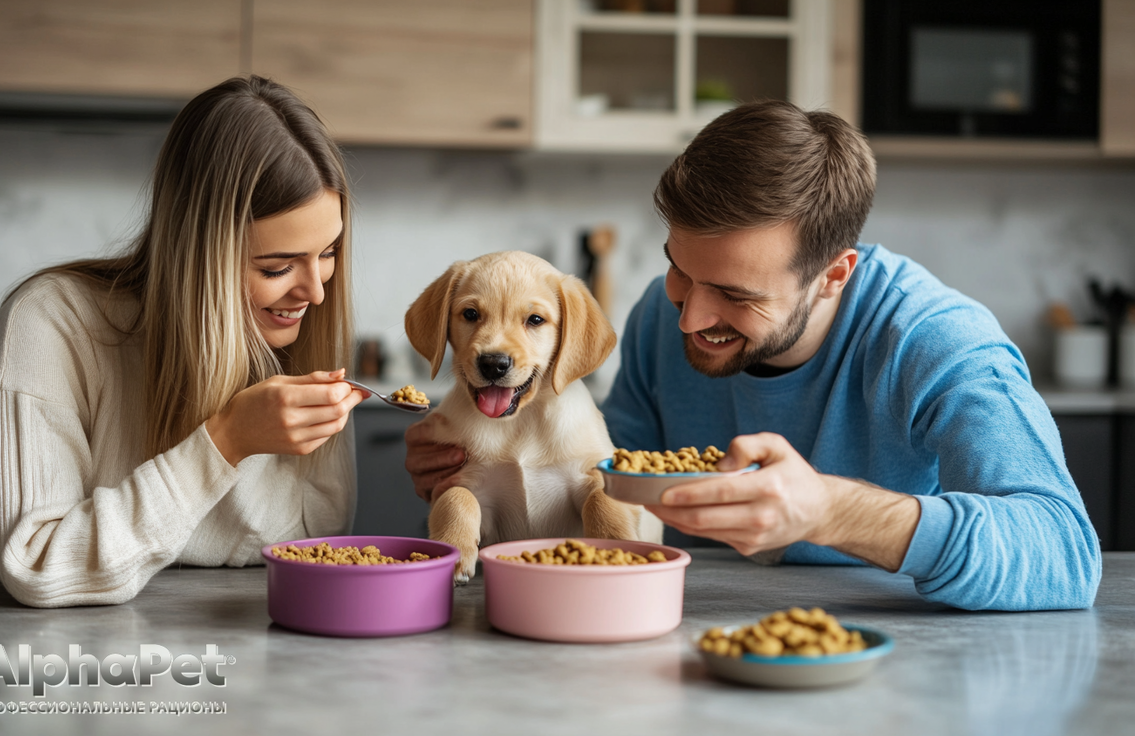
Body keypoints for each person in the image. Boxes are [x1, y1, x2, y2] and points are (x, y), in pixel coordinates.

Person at [406, 101, 1101, 611]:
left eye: (736, 294)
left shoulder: (935, 340)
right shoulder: (659, 314)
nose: (693, 316)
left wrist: (832, 511)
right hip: (705, 635)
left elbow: (1065, 552)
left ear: (834, 274)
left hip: (903, 654)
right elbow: (617, 507)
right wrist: (483, 464)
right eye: (682, 268)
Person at [0, 76, 365, 608]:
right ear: (199, 256)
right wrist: (225, 443)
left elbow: (319, 534)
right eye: (276, 267)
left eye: (328, 252)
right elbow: (39, 564)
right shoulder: (50, 323)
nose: (317, 292)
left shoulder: (298, 333)